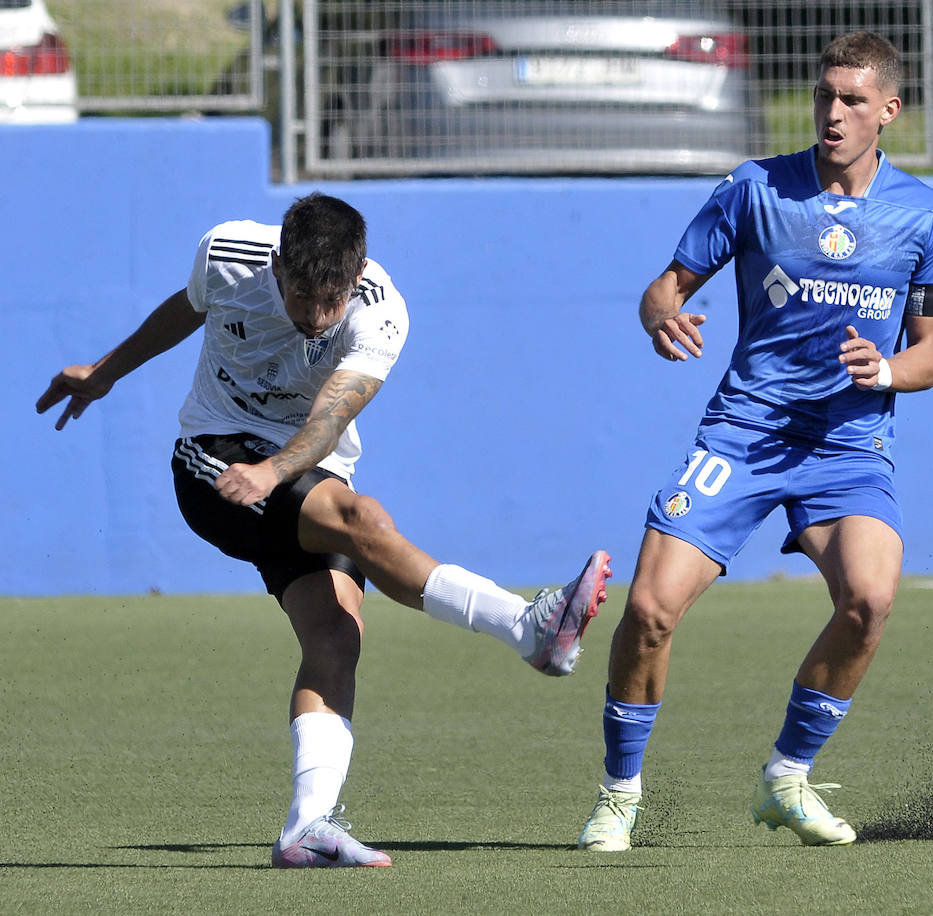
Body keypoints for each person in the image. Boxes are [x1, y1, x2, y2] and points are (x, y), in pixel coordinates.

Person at [36, 192, 613, 868]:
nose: (314, 318)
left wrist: (278, 470)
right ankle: (530, 630)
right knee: (364, 520)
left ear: (357, 273)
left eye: (328, 302)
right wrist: (103, 375)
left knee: (337, 637)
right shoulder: (227, 254)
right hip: (215, 463)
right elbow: (187, 308)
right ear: (277, 266)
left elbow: (333, 419)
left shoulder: (381, 310)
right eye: (301, 297)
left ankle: (305, 827)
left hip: (296, 470)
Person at [576, 31, 933, 851]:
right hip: (745, 431)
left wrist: (884, 372)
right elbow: (664, 289)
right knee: (647, 610)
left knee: (870, 601)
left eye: (853, 100)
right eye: (825, 96)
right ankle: (618, 795)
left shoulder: (927, 217)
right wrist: (660, 319)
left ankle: (785, 779)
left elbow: (928, 356)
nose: (834, 113)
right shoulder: (753, 190)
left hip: (849, 445)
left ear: (889, 111)